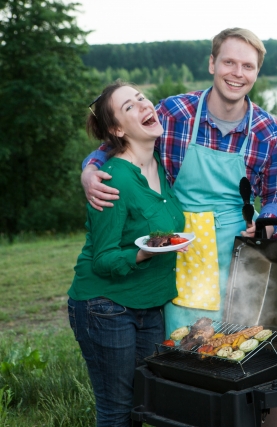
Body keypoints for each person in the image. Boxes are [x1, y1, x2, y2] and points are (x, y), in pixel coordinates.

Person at [80, 28, 277, 333]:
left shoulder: (268, 131)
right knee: (181, 341)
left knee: (235, 339)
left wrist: (270, 224)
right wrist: (89, 171)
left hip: (240, 252)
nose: (237, 73)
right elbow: (113, 145)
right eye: (229, 62)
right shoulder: (174, 113)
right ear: (212, 64)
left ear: (257, 72)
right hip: (178, 245)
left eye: (248, 66)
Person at [69, 81, 186, 427]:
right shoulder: (114, 177)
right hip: (105, 306)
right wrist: (143, 254)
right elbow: (103, 259)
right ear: (117, 129)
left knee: (141, 404)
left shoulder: (159, 168)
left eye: (141, 98)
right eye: (129, 107)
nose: (143, 105)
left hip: (150, 304)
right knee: (116, 411)